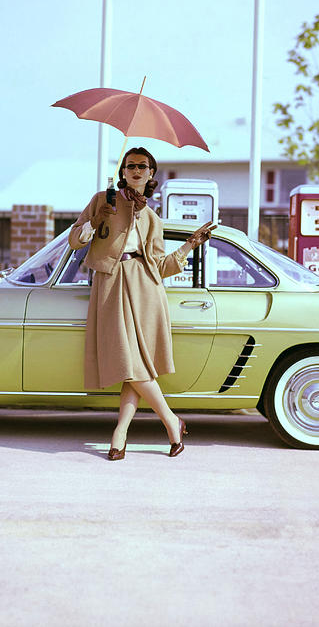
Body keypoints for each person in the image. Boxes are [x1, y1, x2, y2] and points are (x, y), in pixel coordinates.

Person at [69, 147, 215, 460]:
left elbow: (160, 266)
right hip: (110, 283)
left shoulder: (150, 217)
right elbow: (75, 240)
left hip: (146, 290)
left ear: (150, 174)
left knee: (133, 366)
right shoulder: (102, 199)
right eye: (131, 165)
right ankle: (171, 421)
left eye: (143, 166)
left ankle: (120, 434)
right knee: (130, 364)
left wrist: (190, 244)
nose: (136, 170)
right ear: (122, 171)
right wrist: (97, 219)